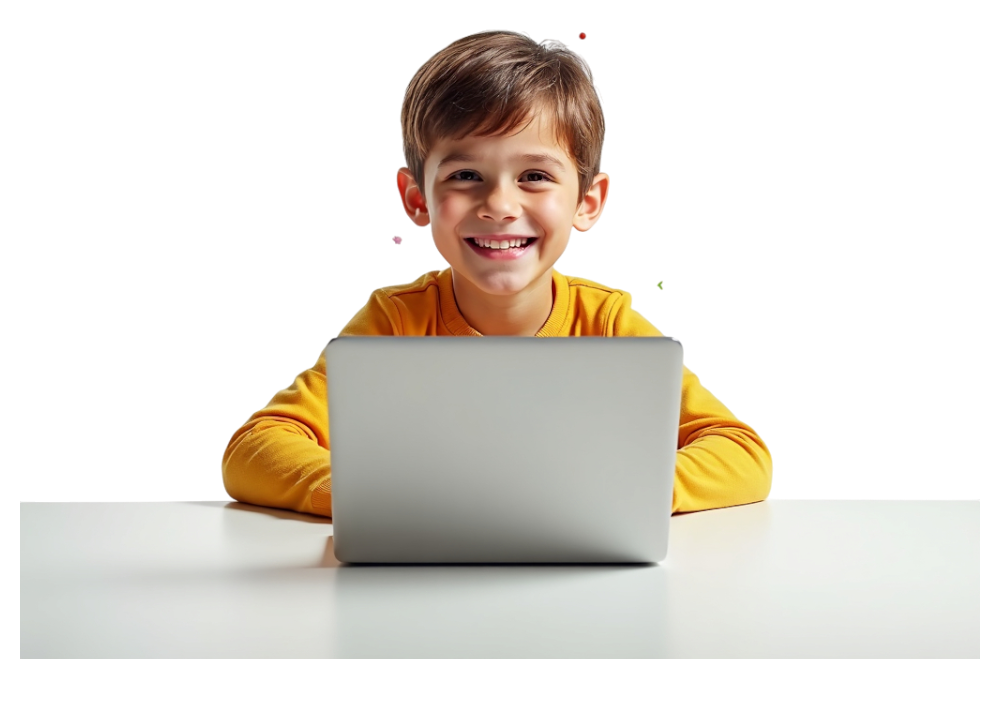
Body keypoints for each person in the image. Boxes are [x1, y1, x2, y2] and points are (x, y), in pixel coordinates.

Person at [222, 29, 772, 517]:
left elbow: (742, 453)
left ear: (588, 201)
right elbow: (254, 447)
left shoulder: (608, 323)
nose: (500, 206)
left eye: (535, 175)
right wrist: (365, 496)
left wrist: (624, 492)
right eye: (466, 174)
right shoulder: (393, 322)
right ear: (416, 200)